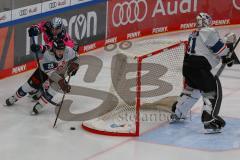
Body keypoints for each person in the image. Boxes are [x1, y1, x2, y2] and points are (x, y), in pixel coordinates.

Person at [170, 12, 237, 133]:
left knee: (192, 91)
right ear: (207, 22)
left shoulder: (193, 33)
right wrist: (228, 53)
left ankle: (178, 112)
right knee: (211, 90)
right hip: (199, 68)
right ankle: (208, 120)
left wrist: (226, 52)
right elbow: (219, 49)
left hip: (188, 66)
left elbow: (208, 49)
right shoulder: (208, 31)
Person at [5, 39, 80, 115]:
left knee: (54, 88)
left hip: (58, 72)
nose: (61, 52)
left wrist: (76, 65)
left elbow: (76, 56)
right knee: (29, 86)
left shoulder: (68, 50)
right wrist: (60, 81)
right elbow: (49, 72)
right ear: (54, 49)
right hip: (43, 72)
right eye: (58, 50)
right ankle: (15, 97)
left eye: (62, 50)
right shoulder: (48, 55)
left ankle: (40, 104)